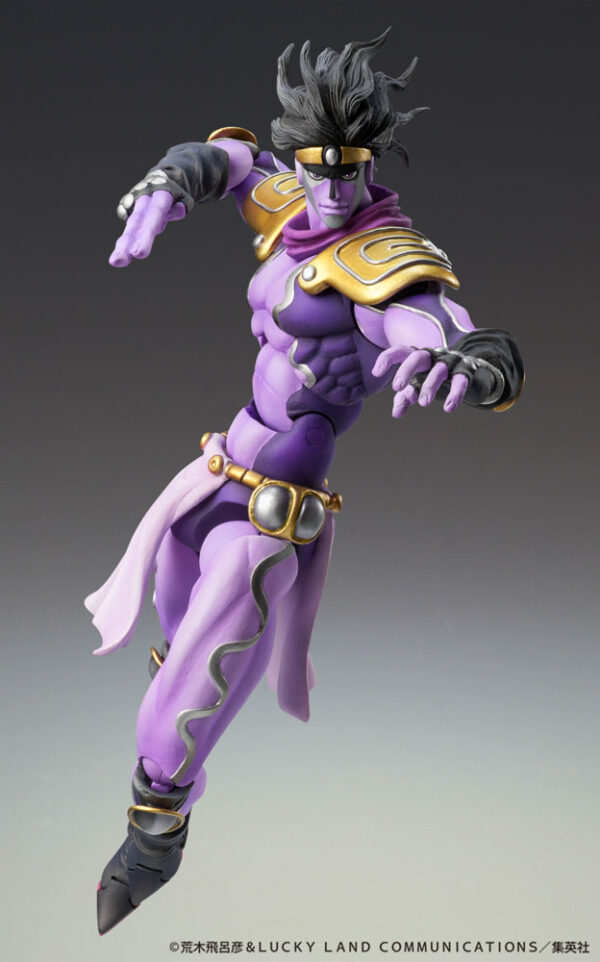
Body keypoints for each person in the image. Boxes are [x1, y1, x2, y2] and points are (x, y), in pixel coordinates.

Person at [86, 30, 524, 934]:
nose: (329, 187)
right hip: (211, 477)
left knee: (179, 707)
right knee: (171, 649)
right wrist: (171, 181)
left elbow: (436, 322)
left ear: (370, 165)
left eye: (347, 170)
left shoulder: (387, 260)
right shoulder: (295, 204)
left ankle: (150, 845)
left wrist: (466, 363)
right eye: (317, 166)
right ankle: (165, 803)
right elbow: (234, 162)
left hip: (271, 517)